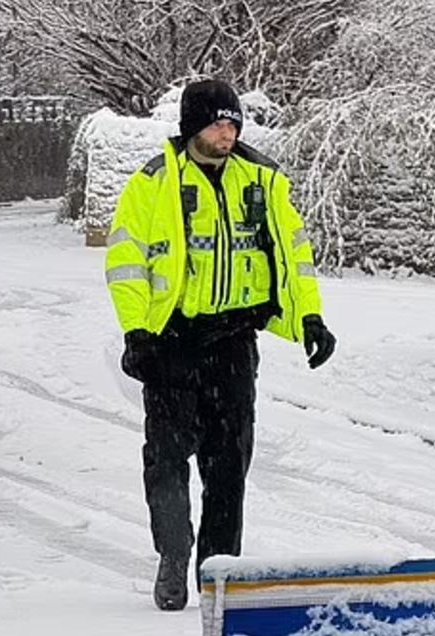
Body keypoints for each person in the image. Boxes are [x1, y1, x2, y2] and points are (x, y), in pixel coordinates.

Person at [103, 78, 337, 611]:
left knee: (229, 466)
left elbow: (294, 257)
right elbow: (125, 263)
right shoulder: (154, 183)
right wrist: (137, 332)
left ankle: (218, 576)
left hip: (234, 342)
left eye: (232, 124)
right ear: (192, 127)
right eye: (216, 124)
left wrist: (310, 319)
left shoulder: (263, 183)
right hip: (172, 343)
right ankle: (173, 551)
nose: (226, 133)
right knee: (166, 460)